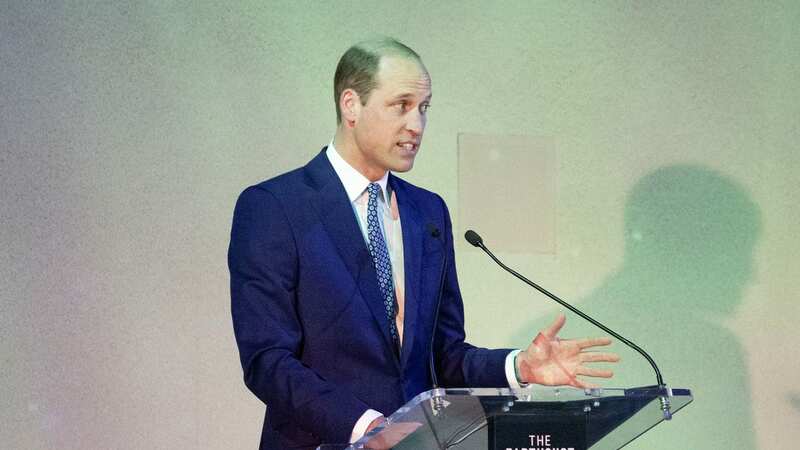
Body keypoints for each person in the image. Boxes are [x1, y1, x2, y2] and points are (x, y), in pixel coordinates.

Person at [228, 37, 619, 450]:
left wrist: (518, 365)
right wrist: (365, 426)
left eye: (424, 108)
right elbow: (267, 360)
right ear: (351, 105)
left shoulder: (427, 212)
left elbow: (444, 355)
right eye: (401, 105)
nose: (416, 125)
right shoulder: (275, 207)